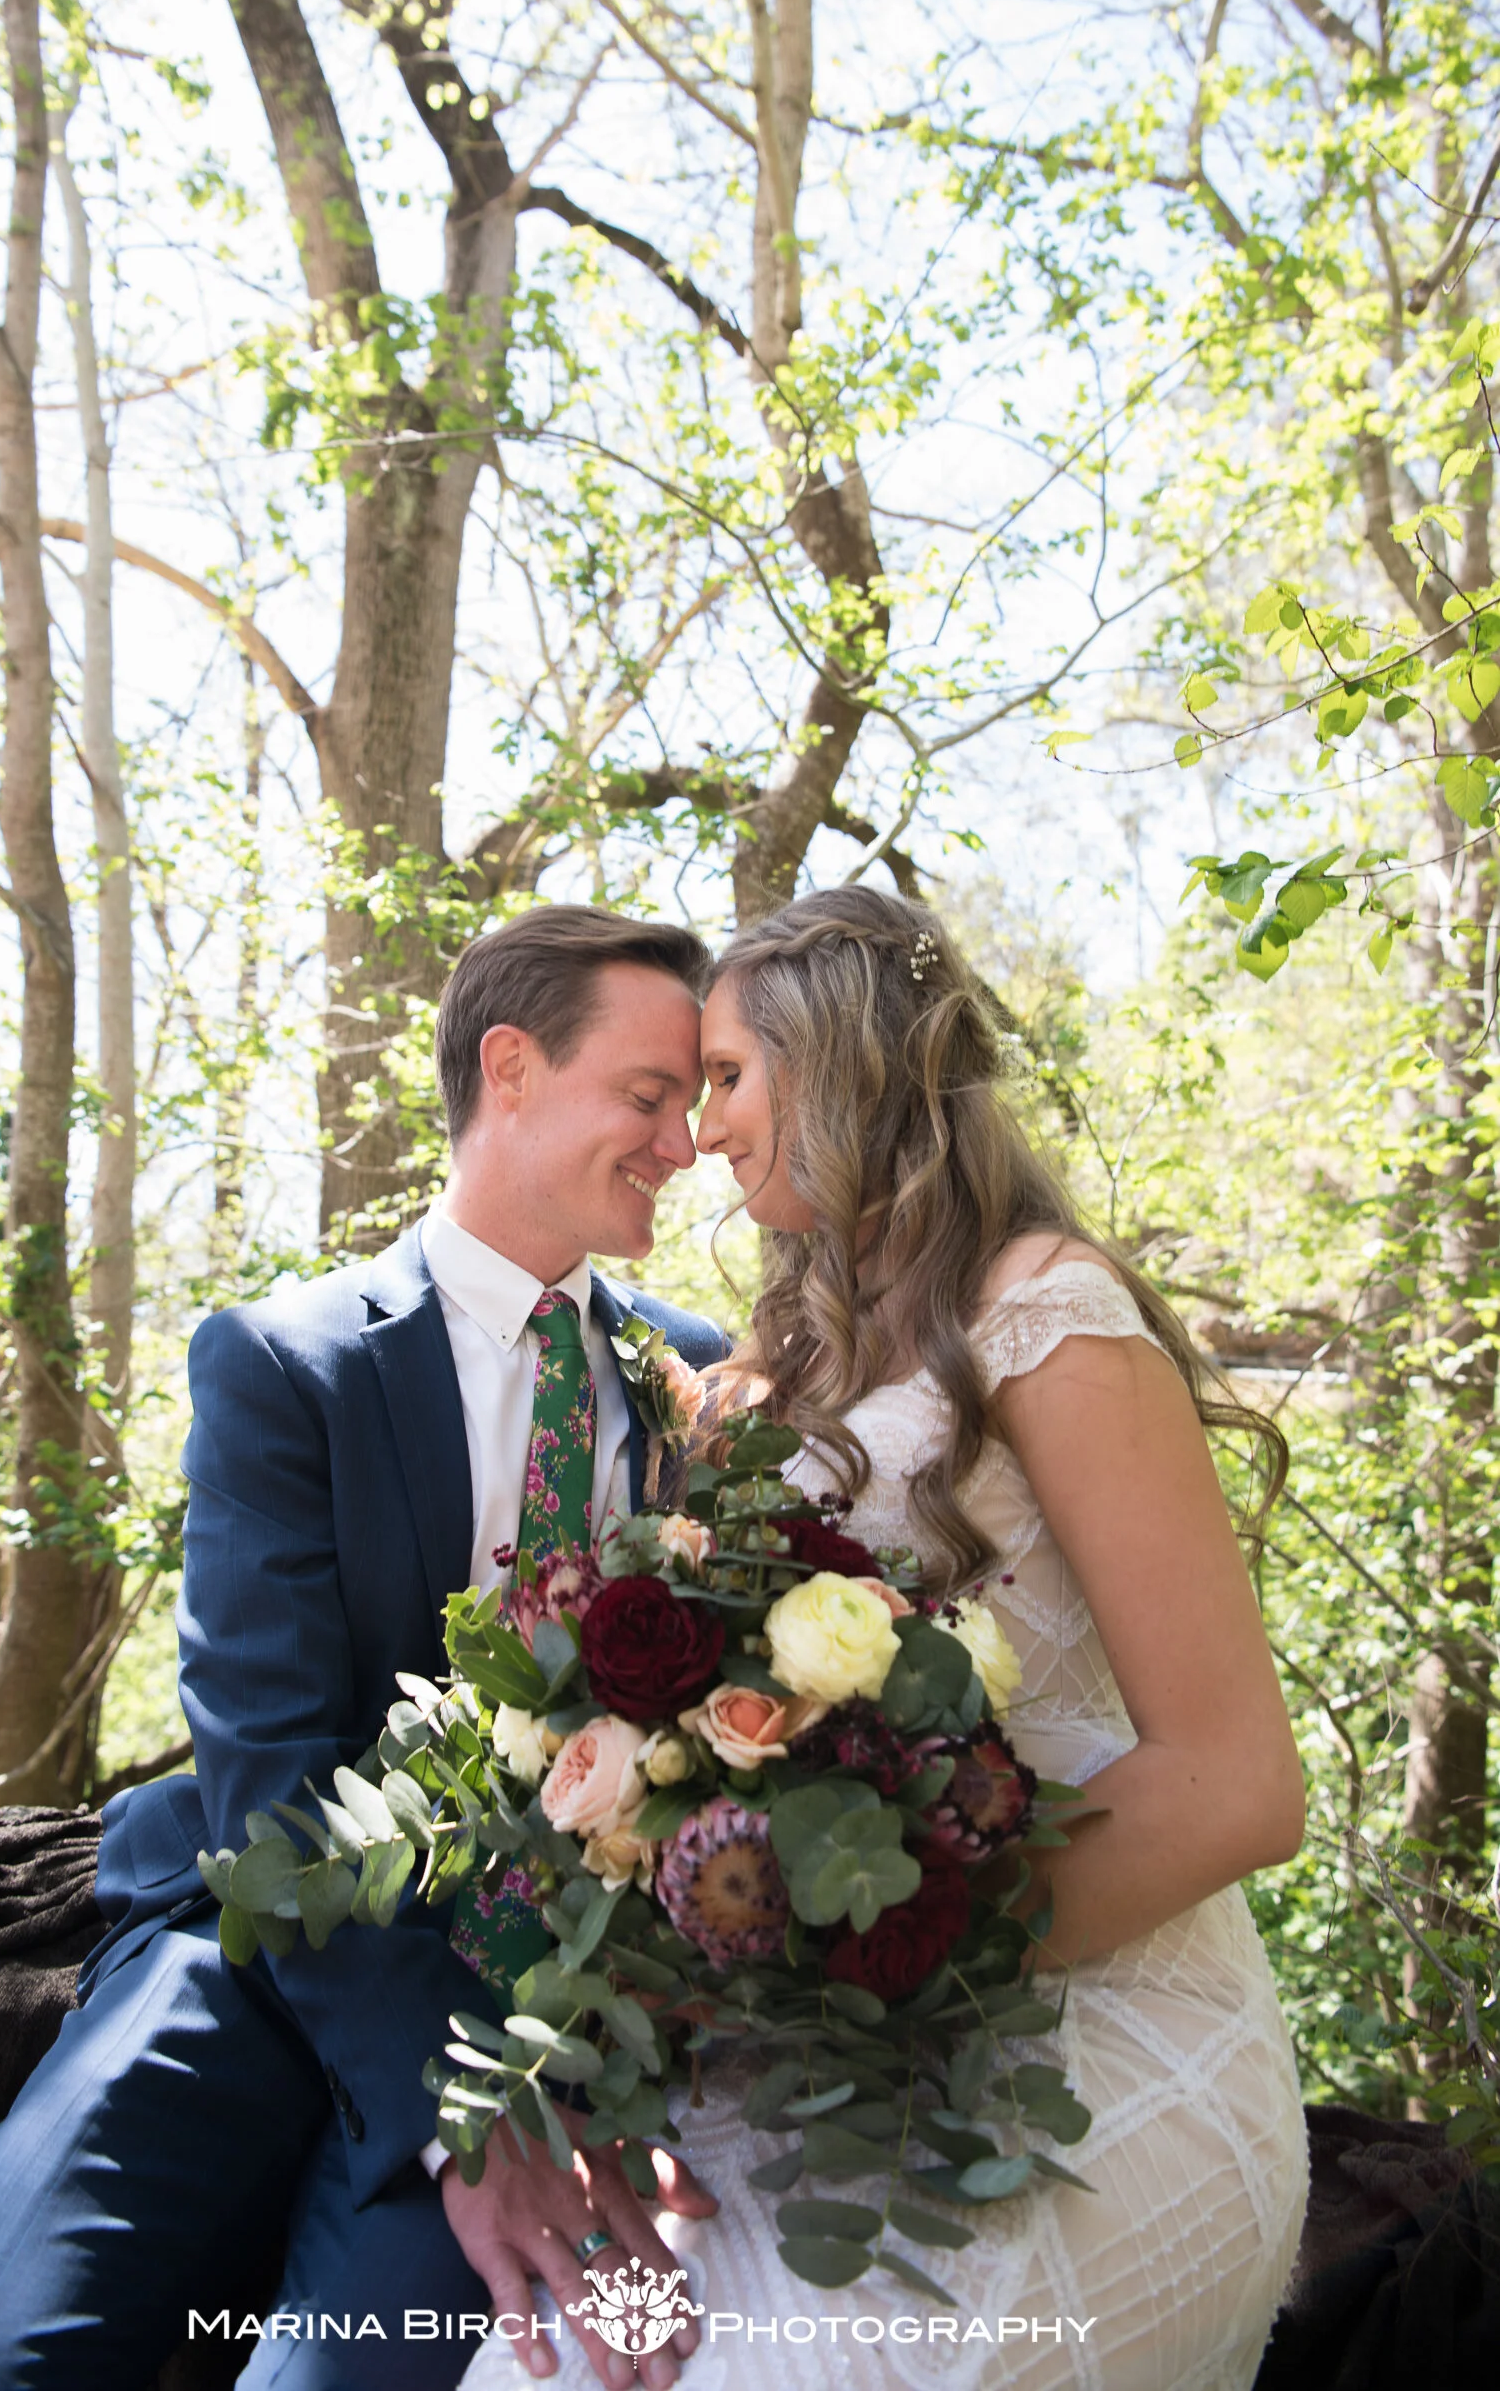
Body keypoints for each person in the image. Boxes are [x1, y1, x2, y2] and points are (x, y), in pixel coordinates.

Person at [0, 905, 725, 2391]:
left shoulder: (695, 1377)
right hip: (251, 1930)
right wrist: (458, 2108)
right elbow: (265, 1762)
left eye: (696, 1104)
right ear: (511, 1067)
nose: (686, 1143)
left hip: (547, 1976)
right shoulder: (289, 1360)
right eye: (650, 1096)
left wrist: (529, 2074)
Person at [460, 885, 1308, 2391]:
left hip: (1082, 2050)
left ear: (840, 1055)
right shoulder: (760, 1375)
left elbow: (1241, 1783)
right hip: (801, 2068)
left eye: (726, 1078)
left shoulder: (1054, 1316)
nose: (701, 1132)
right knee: (548, 2368)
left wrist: (876, 1970)